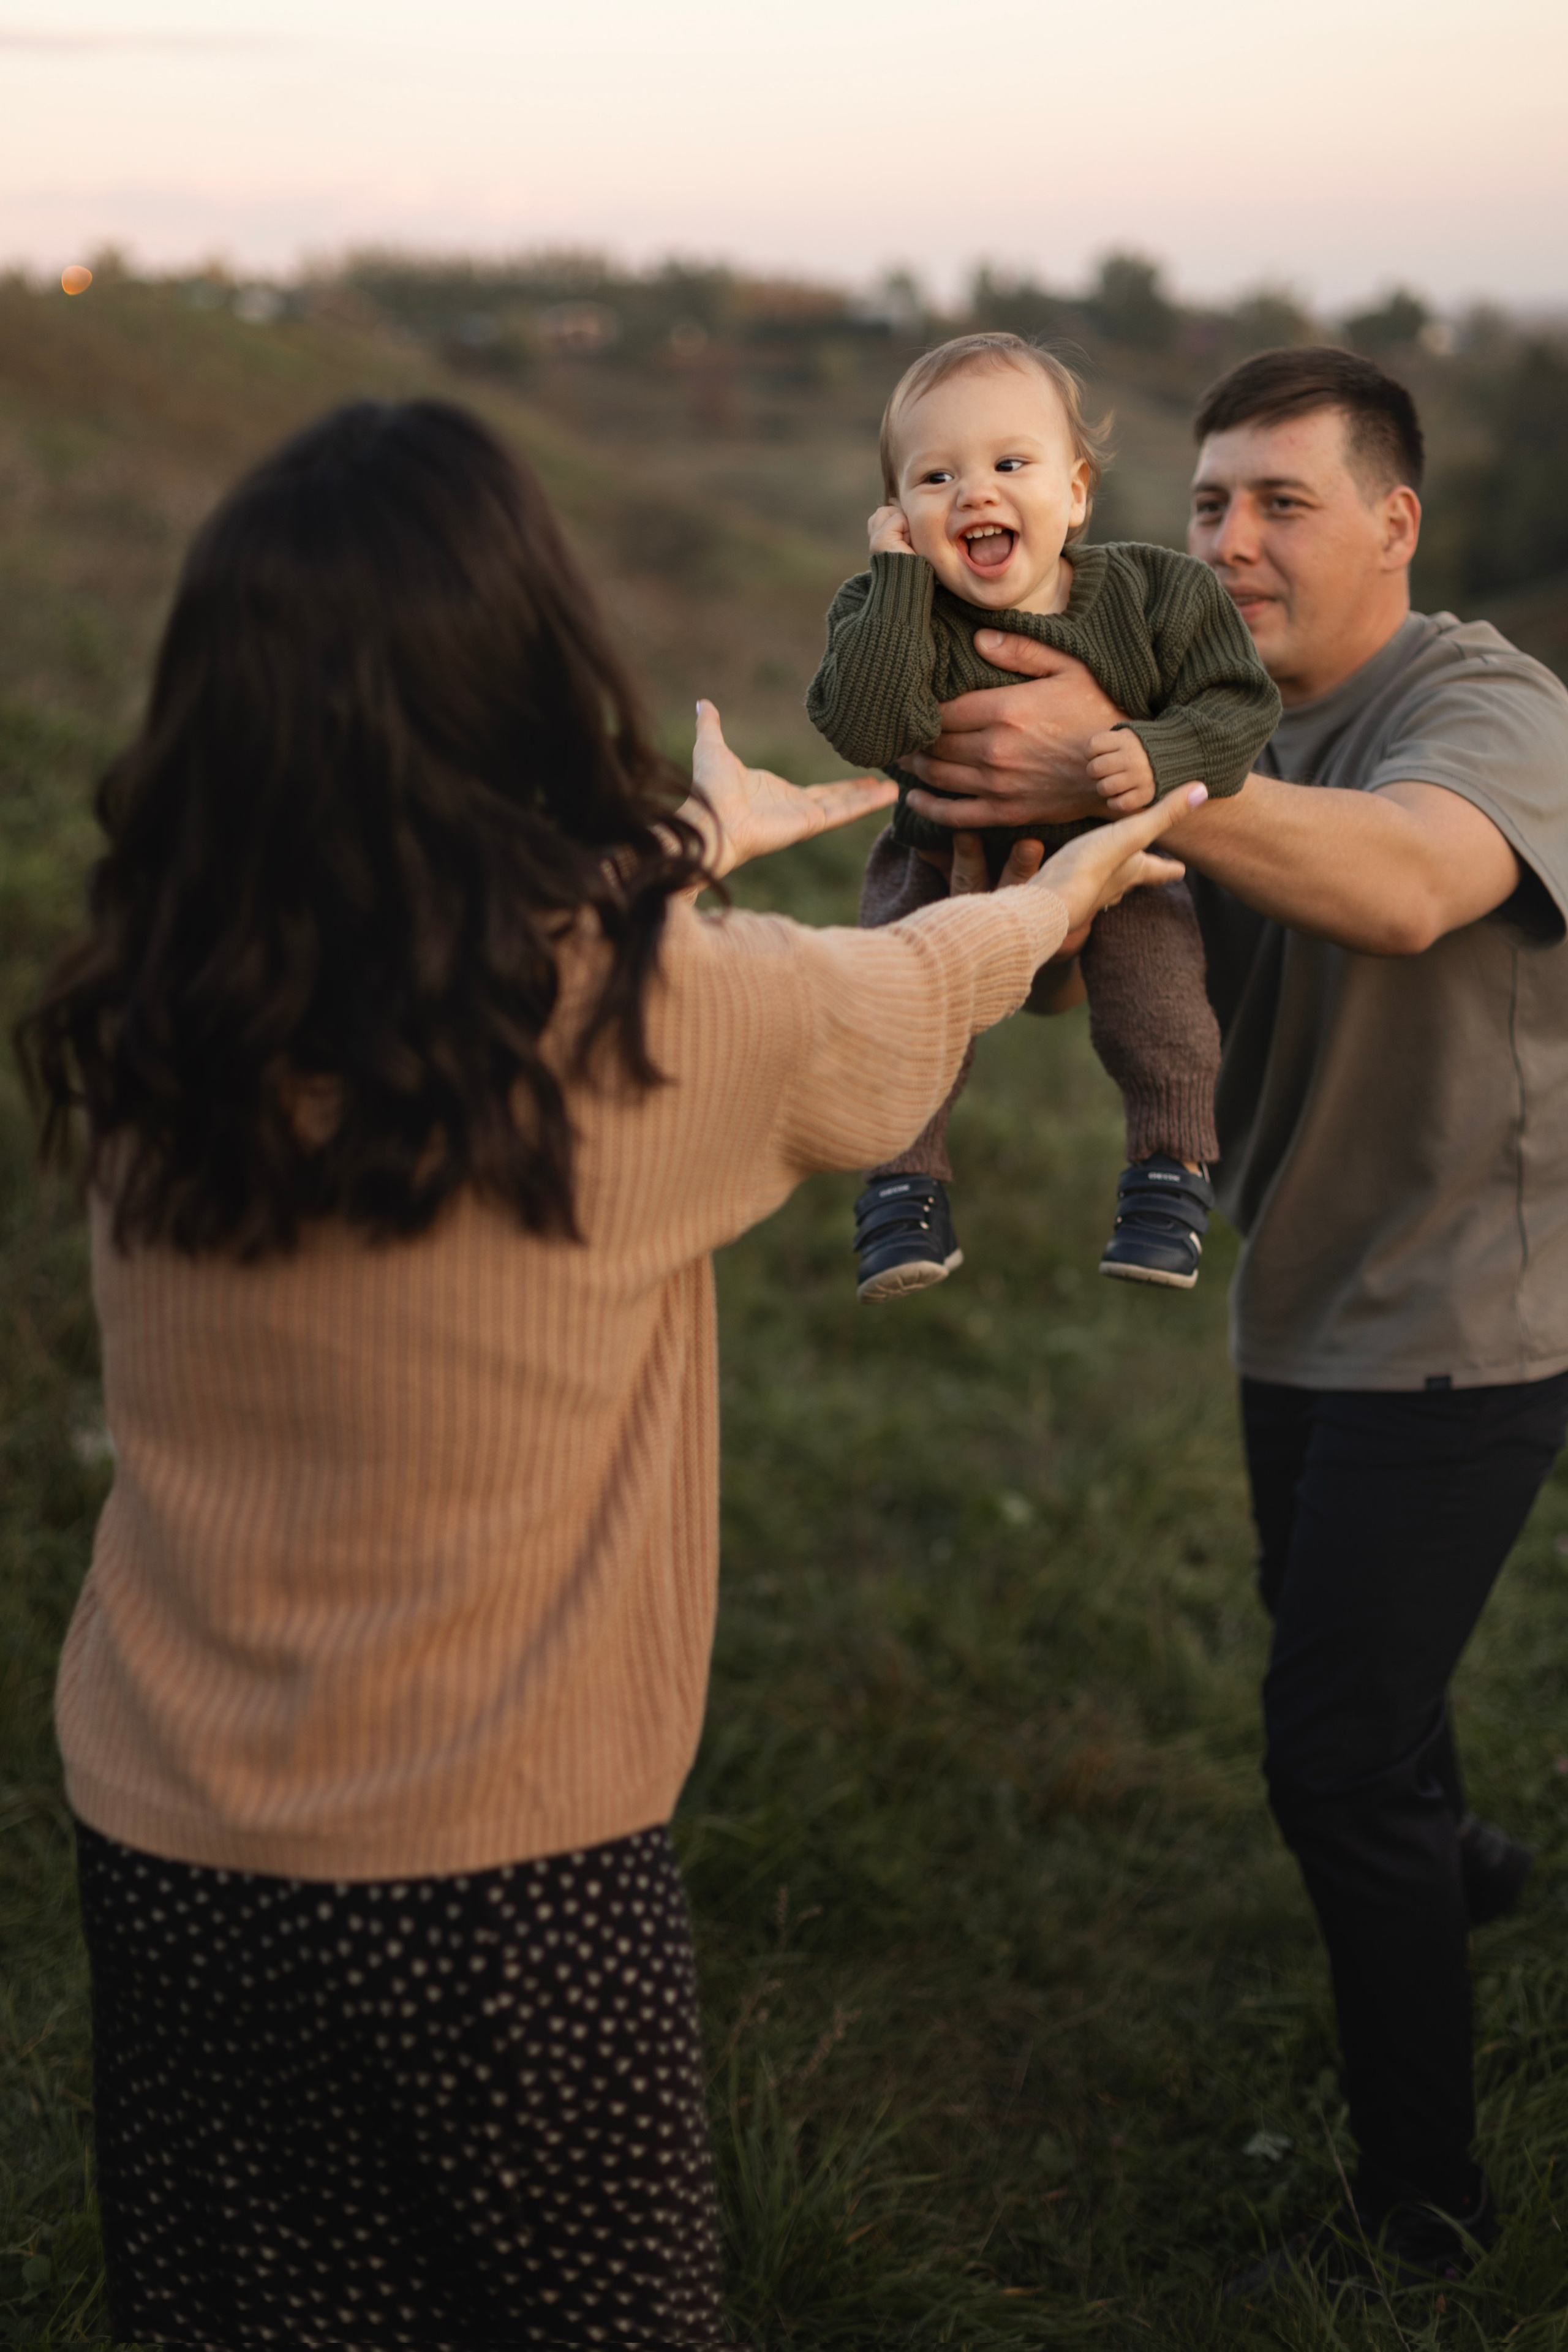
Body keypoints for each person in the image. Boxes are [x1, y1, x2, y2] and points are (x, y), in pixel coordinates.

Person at [15, 396, 1198, 2351]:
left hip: (168, 1844)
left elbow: (447, 933)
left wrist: (679, 852)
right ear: (528, 667)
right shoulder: (650, 1011)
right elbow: (895, 1004)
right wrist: (1053, 903)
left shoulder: (168, 999)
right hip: (502, 1889)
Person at [882, 344, 1568, 2286]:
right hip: (1299, 1284)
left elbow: (1421, 886)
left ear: (1395, 524)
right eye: (1204, 504)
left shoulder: (1483, 701)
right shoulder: (1206, 704)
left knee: (1331, 1762)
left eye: (1282, 501)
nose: (1233, 540)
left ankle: (1428, 2215)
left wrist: (1135, 782)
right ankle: (1460, 1868)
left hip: (1476, 1309)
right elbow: (1072, 969)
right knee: (1357, 1677)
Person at [806, 331, 1280, 1302]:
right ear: (897, 517)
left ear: (1075, 493)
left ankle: (1168, 1174)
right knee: (903, 1016)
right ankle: (902, 1191)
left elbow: (1240, 708)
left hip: (1121, 862)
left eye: (1010, 464)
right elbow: (864, 727)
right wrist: (897, 583)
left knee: (1162, 1012)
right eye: (936, 478)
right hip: (943, 863)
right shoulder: (888, 609)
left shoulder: (1160, 595)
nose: (975, 493)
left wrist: (1156, 753)